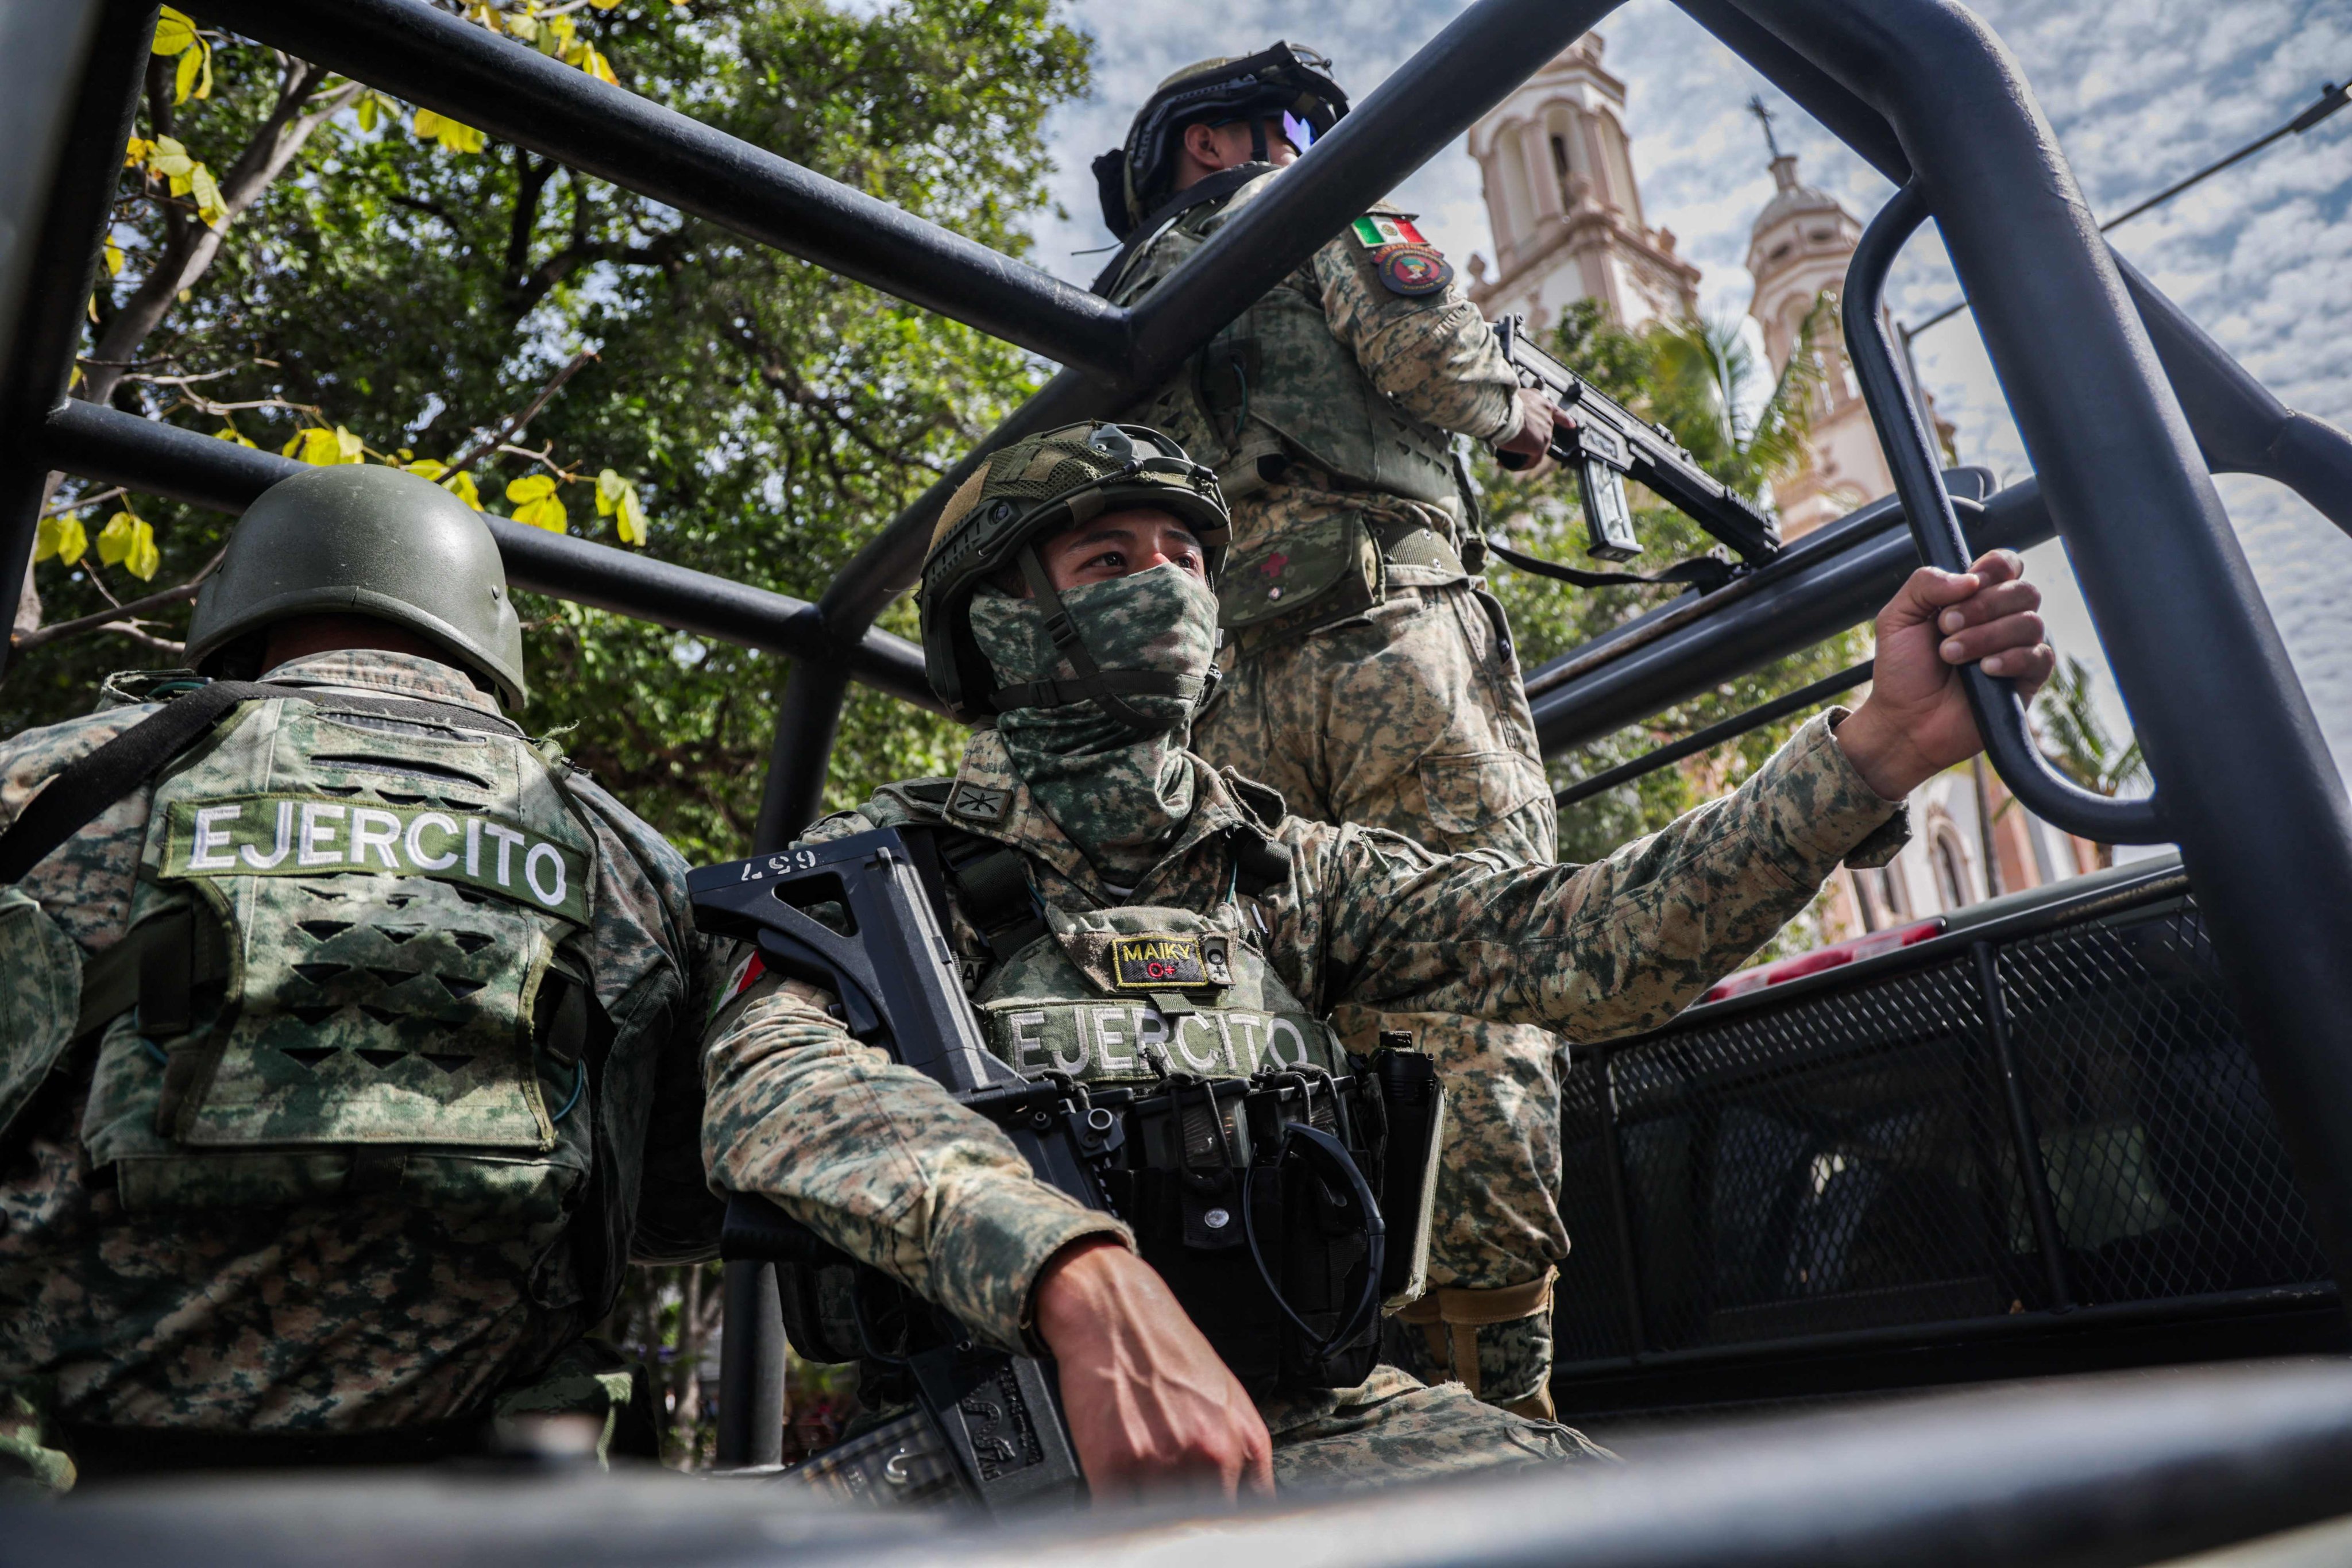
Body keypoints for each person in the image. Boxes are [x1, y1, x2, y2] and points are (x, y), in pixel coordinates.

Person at [701, 422, 2056, 1499]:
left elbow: (1592, 945)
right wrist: (1072, 1275)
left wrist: (1873, 750)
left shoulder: (1293, 873)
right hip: (999, 1450)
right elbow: (775, 1089)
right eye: (1106, 564)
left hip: (1320, 1420)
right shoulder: (880, 876)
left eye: (1184, 557)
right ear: (995, 625)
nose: (1167, 586)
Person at [0, 465, 724, 1490]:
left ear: (239, 610)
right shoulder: (629, 859)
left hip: (78, 1506)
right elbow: (673, 1214)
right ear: (486, 633)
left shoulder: (50, 789)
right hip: (499, 1510)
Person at [1089, 46, 1592, 1415]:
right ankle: (1500, 1407)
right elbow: (1426, 350)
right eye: (1279, 131)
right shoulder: (1323, 209)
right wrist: (1520, 411)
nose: (1301, 148)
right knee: (1474, 984)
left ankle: (1330, 1384)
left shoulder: (1116, 307)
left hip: (1223, 708)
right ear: (1220, 145)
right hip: (1388, 647)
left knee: (1282, 1033)